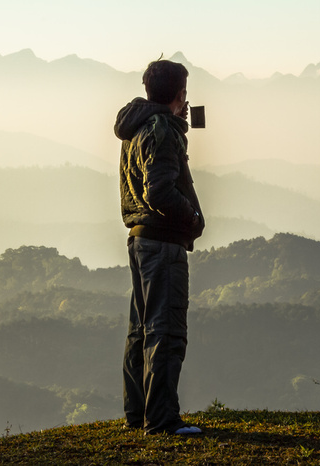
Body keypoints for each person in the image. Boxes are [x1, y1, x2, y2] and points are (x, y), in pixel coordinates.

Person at [114, 59, 205, 435]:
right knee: (165, 331)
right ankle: (163, 420)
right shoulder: (162, 129)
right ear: (180, 94)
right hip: (163, 243)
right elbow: (160, 190)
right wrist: (191, 219)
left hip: (139, 238)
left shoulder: (136, 126)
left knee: (142, 331)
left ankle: (138, 415)